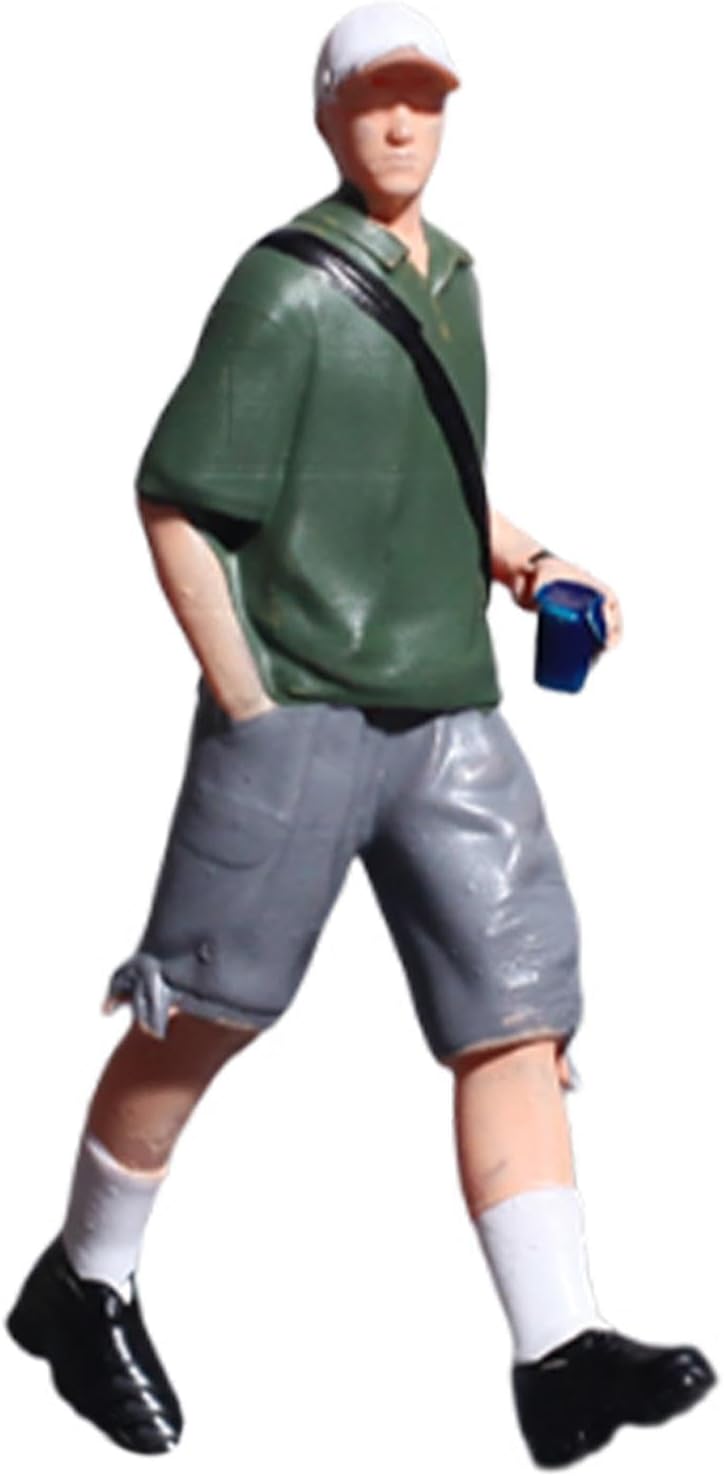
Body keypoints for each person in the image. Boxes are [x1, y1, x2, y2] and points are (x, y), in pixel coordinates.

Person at [6, 3, 715, 1466]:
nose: (402, 126)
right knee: (206, 1007)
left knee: (515, 1008)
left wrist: (526, 559)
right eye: (376, 101)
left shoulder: (454, 279)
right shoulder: (283, 289)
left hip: (447, 703)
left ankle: (557, 1349)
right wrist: (248, 693)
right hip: (306, 710)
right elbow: (173, 495)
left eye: (425, 100)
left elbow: (430, 471)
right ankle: (85, 1280)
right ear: (327, 117)